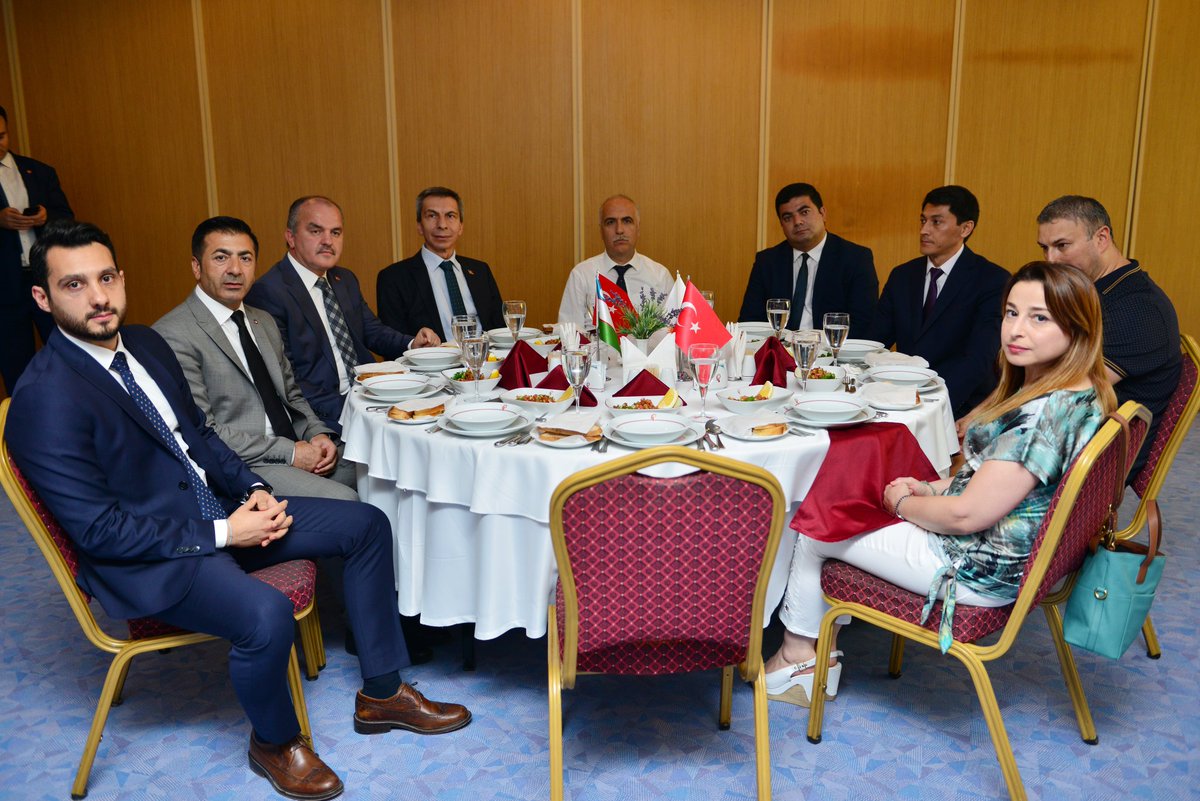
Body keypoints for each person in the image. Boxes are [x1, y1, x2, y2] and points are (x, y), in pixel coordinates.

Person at [6, 220, 471, 800]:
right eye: (74, 285)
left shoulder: (144, 344)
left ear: (121, 279)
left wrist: (252, 487)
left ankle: (381, 693)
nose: (97, 297)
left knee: (367, 524)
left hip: (220, 510)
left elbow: (198, 436)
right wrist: (226, 532)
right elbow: (101, 532)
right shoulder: (44, 399)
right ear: (42, 297)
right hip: (155, 556)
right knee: (265, 615)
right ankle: (274, 742)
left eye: (105, 278)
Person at [764, 261, 1113, 707]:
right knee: (846, 503)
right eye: (1011, 313)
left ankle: (797, 657)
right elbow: (997, 482)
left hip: (972, 567)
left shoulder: (1041, 417)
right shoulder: (1082, 392)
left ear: (1077, 329)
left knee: (816, 526)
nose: (1016, 330)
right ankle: (823, 650)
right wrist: (932, 487)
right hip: (1009, 555)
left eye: (1039, 318)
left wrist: (901, 504)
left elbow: (965, 515)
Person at [155, 216, 358, 501]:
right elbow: (205, 431)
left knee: (382, 469)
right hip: (246, 464)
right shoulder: (173, 334)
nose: (235, 269)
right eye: (221, 258)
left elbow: (292, 395)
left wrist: (317, 434)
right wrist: (291, 453)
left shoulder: (262, 321)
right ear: (196, 266)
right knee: (347, 501)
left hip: (296, 442)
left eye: (245, 258)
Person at [246, 196, 440, 432]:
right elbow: (288, 380)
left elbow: (371, 330)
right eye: (316, 231)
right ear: (291, 237)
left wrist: (411, 343)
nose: (328, 241)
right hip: (325, 413)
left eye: (335, 232)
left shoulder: (344, 279)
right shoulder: (268, 292)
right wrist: (354, 411)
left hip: (370, 394)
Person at [1036, 195, 1181, 476]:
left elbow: (1068, 393)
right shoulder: (1101, 291)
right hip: (1072, 437)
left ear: (1101, 238)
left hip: (1096, 463)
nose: (1051, 260)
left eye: (1062, 246)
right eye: (1045, 248)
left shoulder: (1140, 310)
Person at [869, 185, 1010, 418]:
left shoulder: (992, 280)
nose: (924, 230)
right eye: (923, 220)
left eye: (936, 222)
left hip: (959, 405)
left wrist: (934, 408)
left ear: (965, 228)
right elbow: (875, 340)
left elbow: (978, 359)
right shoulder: (902, 275)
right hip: (900, 398)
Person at [738, 183, 876, 337]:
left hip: (832, 348)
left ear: (823, 213)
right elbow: (750, 321)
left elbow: (864, 324)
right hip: (778, 348)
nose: (797, 221)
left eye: (804, 212)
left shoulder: (856, 258)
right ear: (781, 224)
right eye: (788, 217)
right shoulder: (767, 262)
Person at [0, 105, 73, 394]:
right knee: (15, 363)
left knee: (66, 350)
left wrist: (45, 218)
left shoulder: (39, 171)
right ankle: (25, 413)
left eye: (2, 136)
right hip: (4, 287)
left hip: (45, 276)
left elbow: (66, 217)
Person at [377, 186, 505, 341]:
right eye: (432, 216)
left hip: (485, 354)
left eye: (450, 216)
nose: (442, 225)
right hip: (432, 357)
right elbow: (392, 343)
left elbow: (500, 329)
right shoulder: (393, 278)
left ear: (461, 226)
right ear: (419, 226)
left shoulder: (480, 271)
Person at [557, 194, 673, 326]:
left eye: (627, 221)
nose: (619, 230)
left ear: (638, 228)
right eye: (610, 222)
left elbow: (674, 330)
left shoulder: (660, 276)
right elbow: (569, 332)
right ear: (601, 231)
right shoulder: (581, 275)